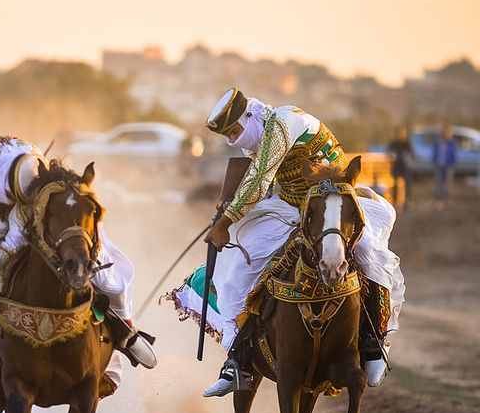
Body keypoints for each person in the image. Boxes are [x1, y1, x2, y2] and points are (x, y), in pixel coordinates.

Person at [0, 137, 156, 413]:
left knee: (106, 273)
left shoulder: (34, 180)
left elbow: (19, 234)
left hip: (47, 225)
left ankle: (125, 332)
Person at [195, 88, 405, 396]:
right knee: (240, 261)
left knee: (369, 254)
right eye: (228, 135)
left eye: (236, 130)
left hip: (334, 201)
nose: (234, 139)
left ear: (250, 115)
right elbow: (264, 185)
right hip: (293, 206)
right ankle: (236, 358)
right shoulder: (258, 137)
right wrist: (227, 212)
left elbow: (259, 179)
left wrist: (226, 222)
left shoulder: (282, 122)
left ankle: (374, 345)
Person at [388, 126, 414, 212]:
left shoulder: (407, 143)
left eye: (402, 132)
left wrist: (407, 157)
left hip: (405, 167)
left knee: (407, 186)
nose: (401, 135)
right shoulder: (394, 143)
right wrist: (392, 155)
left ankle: (407, 203)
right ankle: (395, 203)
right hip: (396, 166)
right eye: (399, 133)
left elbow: (412, 154)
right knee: (395, 185)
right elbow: (389, 152)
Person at [432, 126, 457, 211]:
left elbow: (454, 154)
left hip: (449, 166)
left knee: (447, 184)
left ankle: (446, 200)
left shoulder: (452, 143)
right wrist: (434, 162)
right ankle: (439, 200)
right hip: (438, 166)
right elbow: (435, 153)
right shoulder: (437, 142)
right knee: (439, 184)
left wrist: (453, 163)